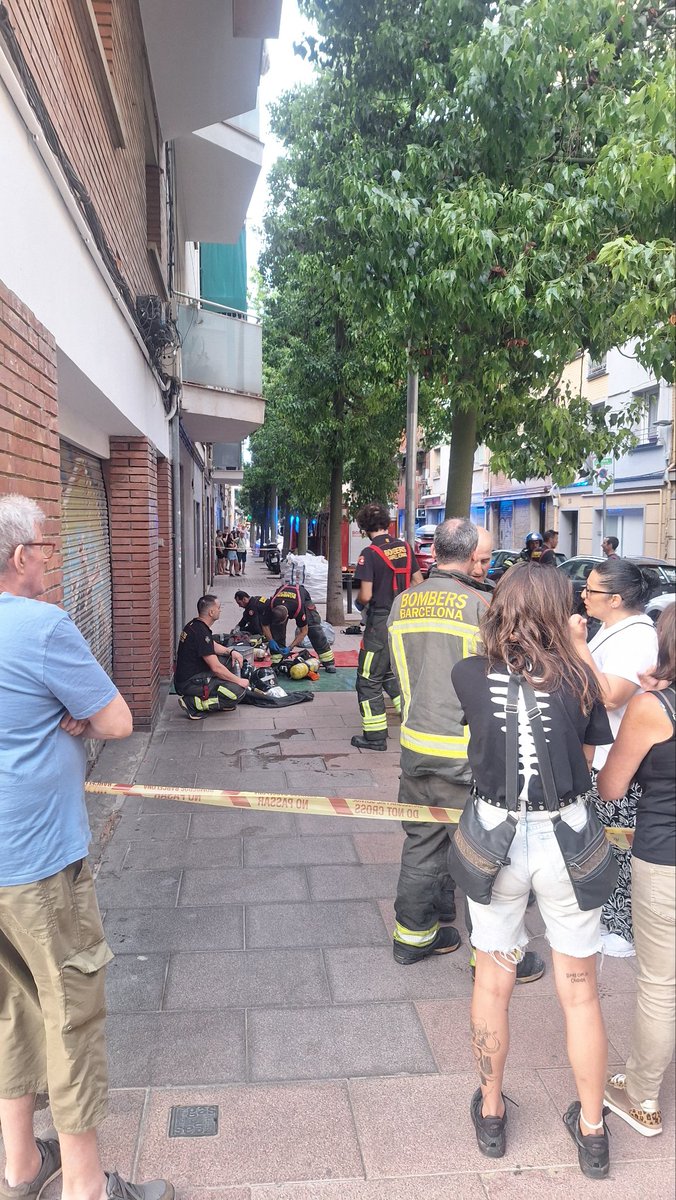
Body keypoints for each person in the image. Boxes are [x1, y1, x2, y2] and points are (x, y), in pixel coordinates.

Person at [0, 494, 173, 1200]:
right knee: (70, 1015)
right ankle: (87, 1188)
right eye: (46, 544)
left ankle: (18, 1169)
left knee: (11, 1010)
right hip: (38, 863)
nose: (54, 556)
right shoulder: (41, 628)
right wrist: (76, 714)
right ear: (18, 557)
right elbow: (118, 719)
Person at [452, 564, 613, 1180]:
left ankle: (491, 1115)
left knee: (492, 983)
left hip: (494, 839)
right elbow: (589, 755)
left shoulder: (468, 673)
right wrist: (577, 652)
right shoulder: (579, 678)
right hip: (568, 840)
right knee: (580, 992)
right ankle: (593, 1130)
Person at [387, 519, 545, 981]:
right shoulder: (484, 605)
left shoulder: (402, 602)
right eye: (486, 556)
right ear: (474, 556)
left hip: (417, 746)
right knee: (487, 857)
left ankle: (412, 939)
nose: (489, 563)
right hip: (472, 754)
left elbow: (396, 677)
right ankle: (491, 959)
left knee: (421, 842)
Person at [597, 602, 675, 1139]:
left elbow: (611, 787)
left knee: (659, 984)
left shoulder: (655, 707)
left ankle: (642, 1095)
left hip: (665, 857)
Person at [570, 557, 659, 955]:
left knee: (618, 846)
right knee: (604, 842)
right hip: (602, 754)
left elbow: (610, 696)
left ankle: (622, 929)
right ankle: (609, 918)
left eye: (592, 591)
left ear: (618, 598)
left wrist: (576, 646)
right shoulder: (612, 628)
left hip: (619, 759)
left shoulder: (637, 636)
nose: (584, 596)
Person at [351, 502, 422, 751]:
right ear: (387, 523)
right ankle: (412, 719)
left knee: (368, 678)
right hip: (404, 619)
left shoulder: (369, 554)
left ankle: (375, 737)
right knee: (392, 672)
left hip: (380, 622)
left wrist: (358, 603)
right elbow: (417, 581)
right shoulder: (404, 547)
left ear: (363, 528)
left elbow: (366, 595)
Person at [174, 595, 249, 720]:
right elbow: (216, 668)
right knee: (238, 692)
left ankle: (217, 696)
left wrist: (231, 652)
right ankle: (192, 703)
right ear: (211, 612)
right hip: (190, 682)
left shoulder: (195, 625)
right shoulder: (200, 632)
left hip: (188, 675)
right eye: (219, 608)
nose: (220, 610)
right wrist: (239, 681)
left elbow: (210, 645)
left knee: (229, 662)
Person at [261, 582, 336, 672]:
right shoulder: (270, 606)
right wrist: (271, 640)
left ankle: (328, 661)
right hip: (283, 600)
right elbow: (264, 625)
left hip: (303, 600)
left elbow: (304, 631)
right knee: (276, 629)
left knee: (313, 628)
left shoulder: (298, 609)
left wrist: (291, 647)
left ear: (288, 615)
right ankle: (277, 661)